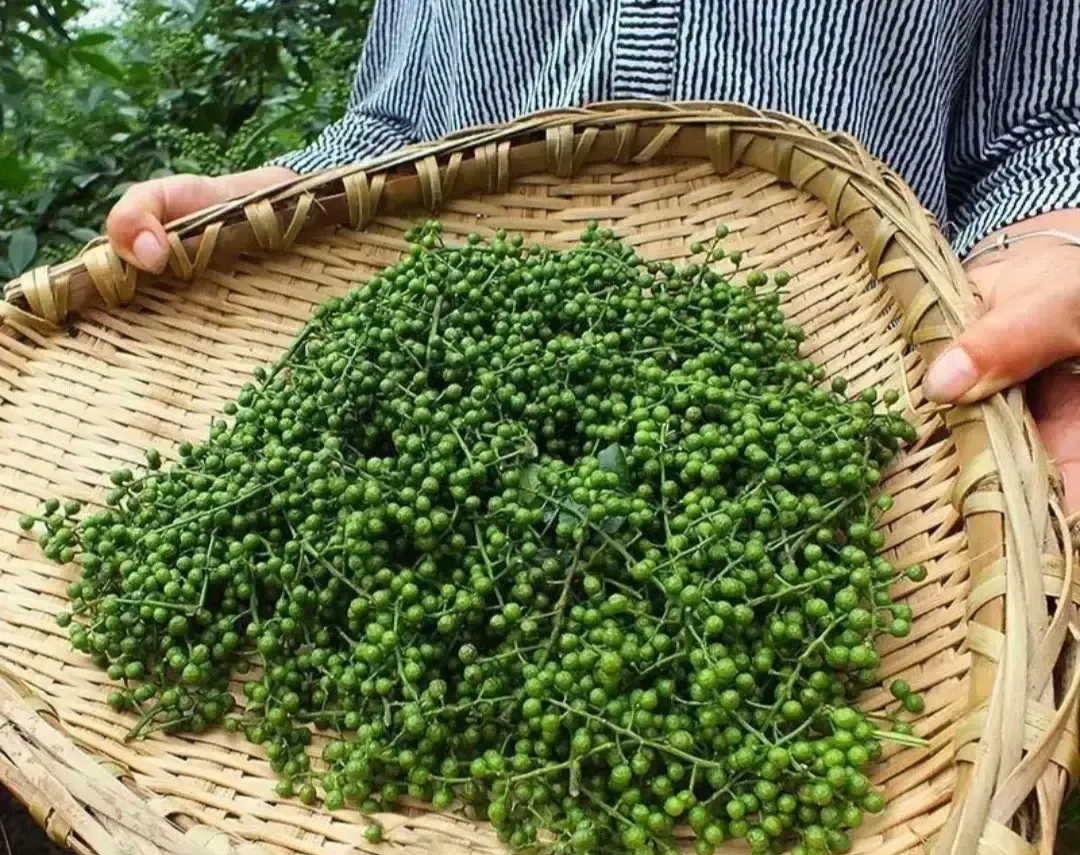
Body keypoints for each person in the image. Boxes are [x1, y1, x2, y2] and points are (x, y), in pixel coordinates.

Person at [105, 0, 1080, 506]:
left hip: (841, 424)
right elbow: (398, 119)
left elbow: (1042, 128)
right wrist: (290, 194)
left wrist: (1051, 243)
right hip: (438, 393)